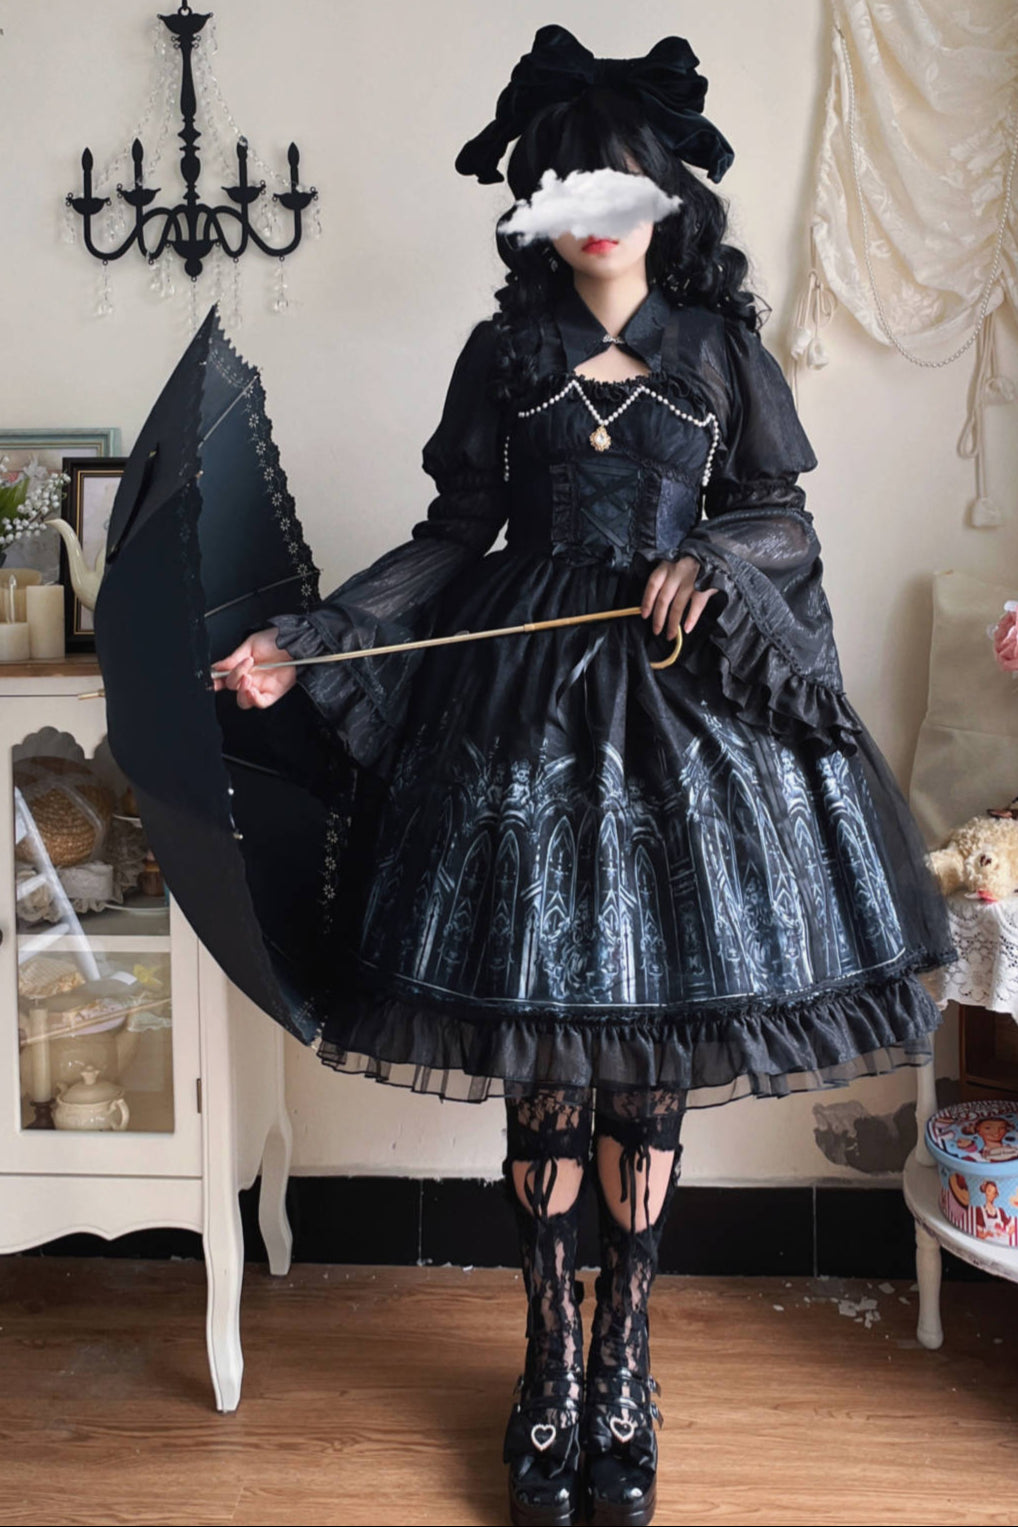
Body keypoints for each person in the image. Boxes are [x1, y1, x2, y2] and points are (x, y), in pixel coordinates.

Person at [213, 26, 955, 1527]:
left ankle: (626, 1360)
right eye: (567, 183)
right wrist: (314, 640)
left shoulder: (719, 349)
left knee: (645, 1066)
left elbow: (785, 518)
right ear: (534, 208)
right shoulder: (504, 355)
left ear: (667, 193)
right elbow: (449, 536)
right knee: (546, 1069)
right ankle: (547, 1356)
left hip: (685, 727)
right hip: (520, 728)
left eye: (622, 180)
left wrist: (712, 558)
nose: (597, 210)